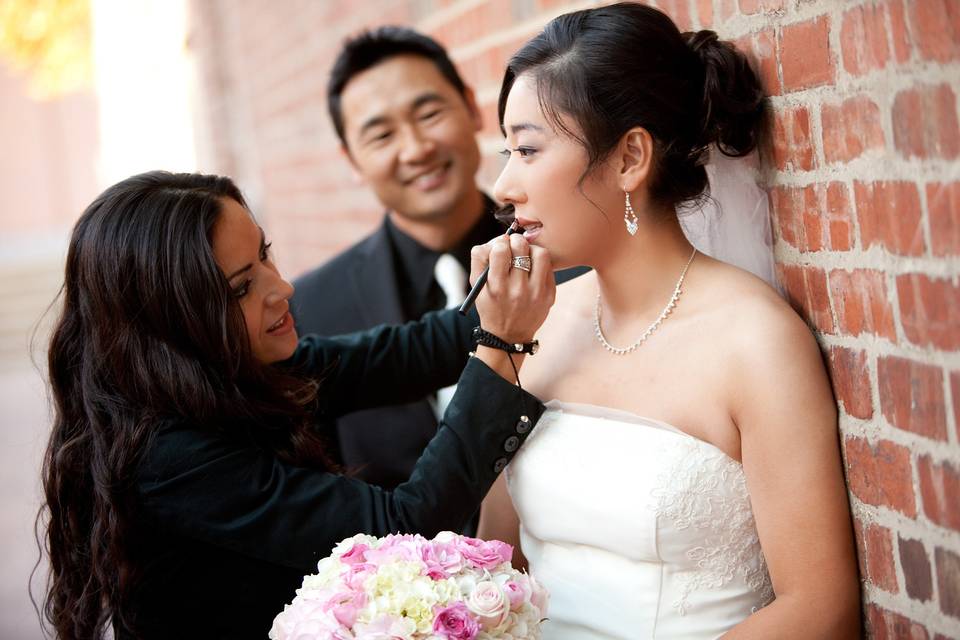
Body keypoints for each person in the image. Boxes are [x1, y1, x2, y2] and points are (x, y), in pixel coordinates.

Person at [477, 4, 861, 638]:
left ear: (630, 157)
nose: (502, 184)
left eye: (527, 149)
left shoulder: (755, 342)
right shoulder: (531, 323)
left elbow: (821, 608)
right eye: (505, 151)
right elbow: (495, 562)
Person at [39, 171, 554, 640]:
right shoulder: (168, 459)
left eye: (264, 255)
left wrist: (552, 280)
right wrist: (501, 344)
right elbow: (403, 525)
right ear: (170, 328)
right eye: (242, 287)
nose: (281, 288)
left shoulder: (242, 369)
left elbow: (406, 352)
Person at [291, 26, 585, 491]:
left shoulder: (575, 261)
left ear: (471, 107)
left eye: (428, 114)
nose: (416, 149)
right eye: (381, 134)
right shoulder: (309, 308)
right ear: (351, 160)